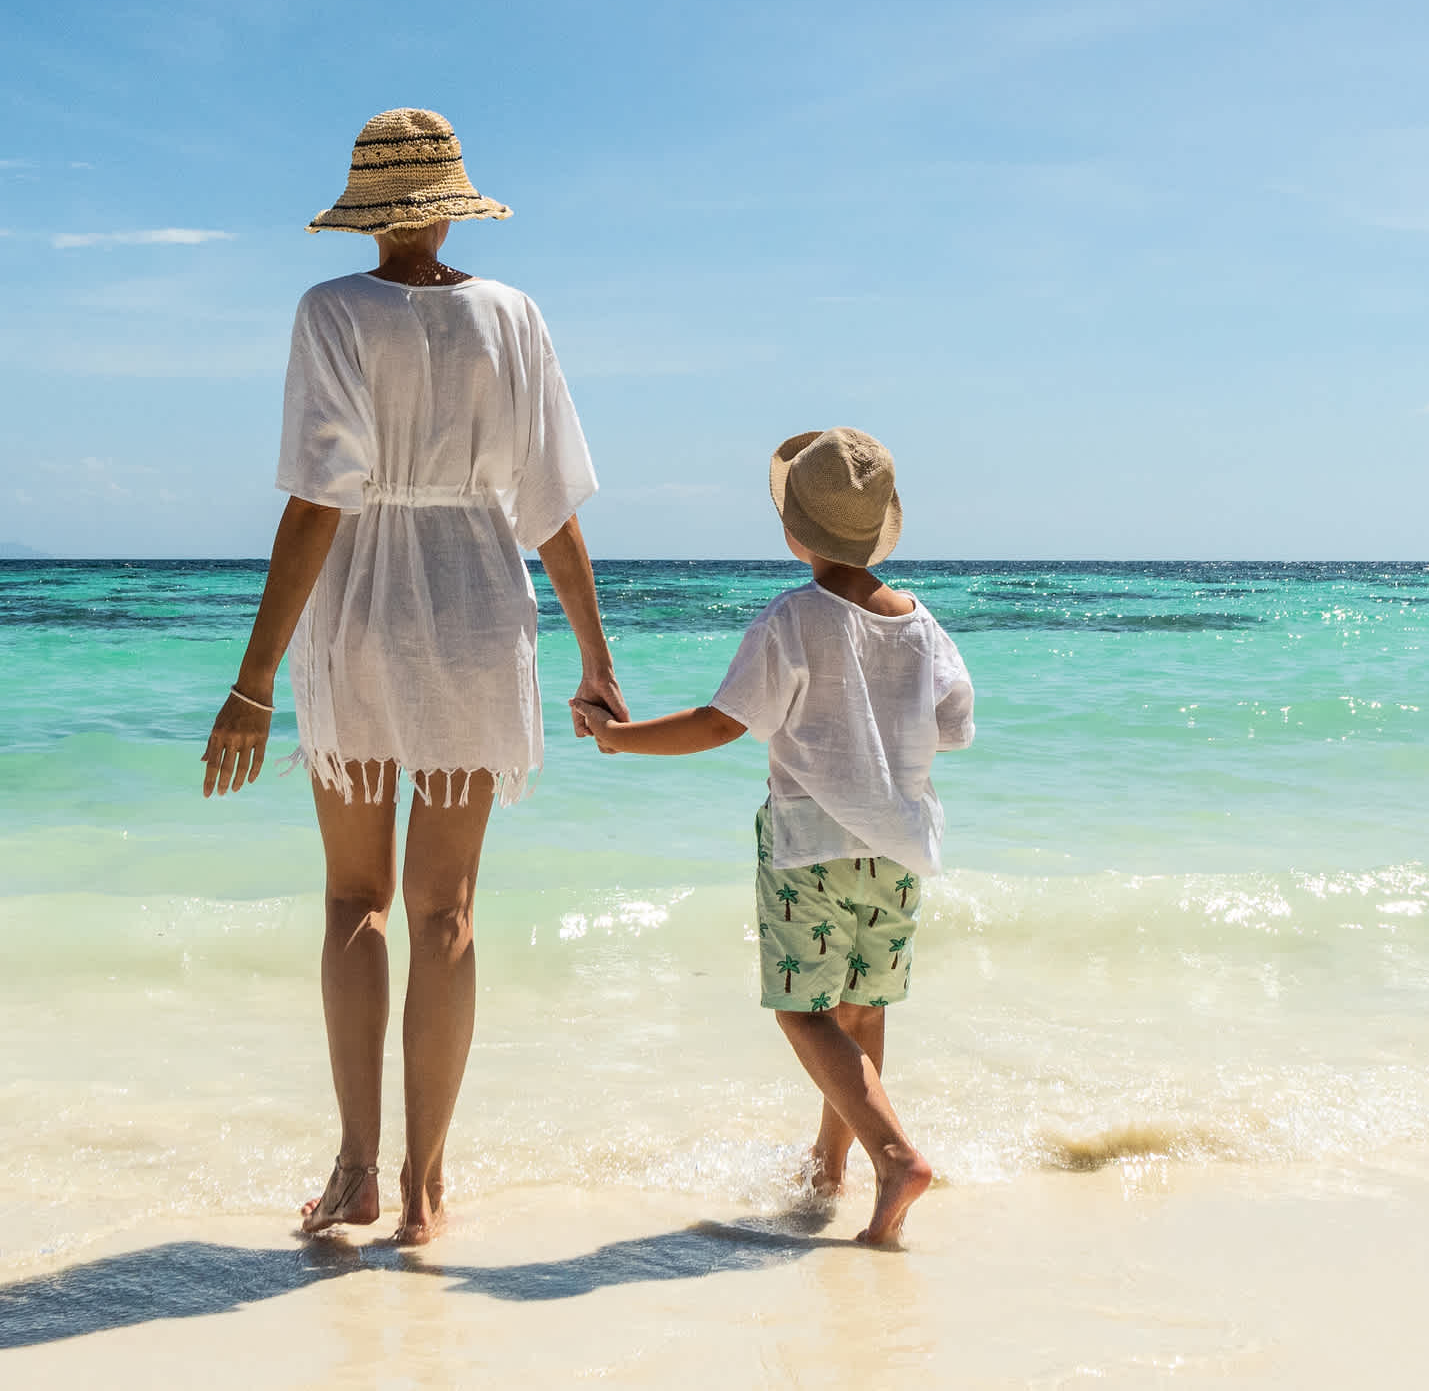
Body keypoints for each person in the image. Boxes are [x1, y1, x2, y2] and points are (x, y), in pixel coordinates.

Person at [198, 108, 627, 1244]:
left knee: (357, 899)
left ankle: (356, 1171)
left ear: (368, 212)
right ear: (450, 201)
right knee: (447, 907)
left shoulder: (331, 311)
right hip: (481, 607)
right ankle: (428, 1187)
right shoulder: (514, 313)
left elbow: (319, 499)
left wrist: (253, 679)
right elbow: (550, 508)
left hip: (359, 605)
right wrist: (596, 657)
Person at [575, 427, 973, 1245]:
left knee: (803, 1013)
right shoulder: (923, 624)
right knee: (862, 1011)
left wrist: (619, 737)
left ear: (795, 534)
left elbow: (724, 724)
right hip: (897, 852)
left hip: (807, 845)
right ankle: (832, 1171)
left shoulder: (792, 620)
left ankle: (896, 1156)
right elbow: (956, 725)